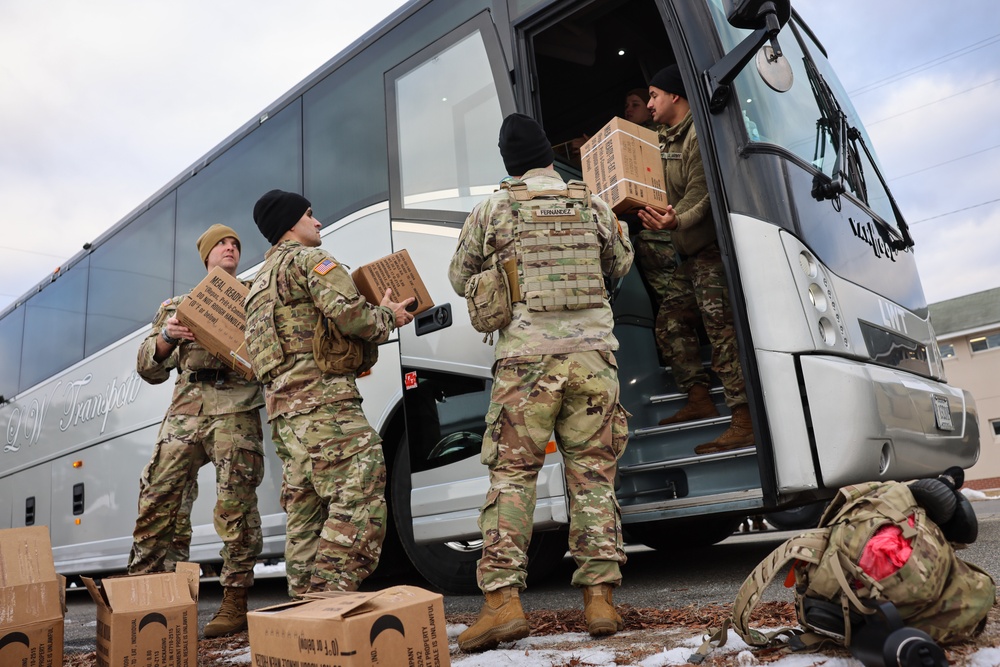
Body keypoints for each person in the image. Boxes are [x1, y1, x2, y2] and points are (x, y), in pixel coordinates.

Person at [449, 113, 634, 652]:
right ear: (549, 157)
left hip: (527, 364)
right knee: (593, 475)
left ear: (508, 163)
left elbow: (460, 277)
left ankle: (503, 604)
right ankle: (600, 600)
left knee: (512, 477)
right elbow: (619, 263)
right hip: (594, 361)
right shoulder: (592, 204)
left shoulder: (493, 209)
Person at [243, 190, 415, 599]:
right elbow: (352, 316)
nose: (317, 222)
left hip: (285, 420)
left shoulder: (254, 288)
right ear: (290, 224)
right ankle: (328, 596)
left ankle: (304, 612)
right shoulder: (310, 262)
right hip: (323, 406)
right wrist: (389, 316)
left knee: (305, 513)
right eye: (309, 214)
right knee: (361, 490)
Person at [128, 223, 265, 639]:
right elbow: (148, 368)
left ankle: (235, 601)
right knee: (158, 498)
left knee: (236, 506)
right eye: (222, 244)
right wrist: (168, 337)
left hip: (236, 408)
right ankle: (148, 596)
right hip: (186, 410)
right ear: (206, 254)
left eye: (236, 245)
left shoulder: (253, 296)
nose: (230, 248)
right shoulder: (178, 306)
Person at [636, 65, 753, 453]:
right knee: (671, 320)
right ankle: (699, 398)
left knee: (721, 332)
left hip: (711, 251)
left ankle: (744, 419)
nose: (650, 103)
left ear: (675, 96)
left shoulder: (697, 137)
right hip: (688, 255)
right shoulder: (663, 140)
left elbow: (702, 196)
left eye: (653, 95)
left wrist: (675, 219)